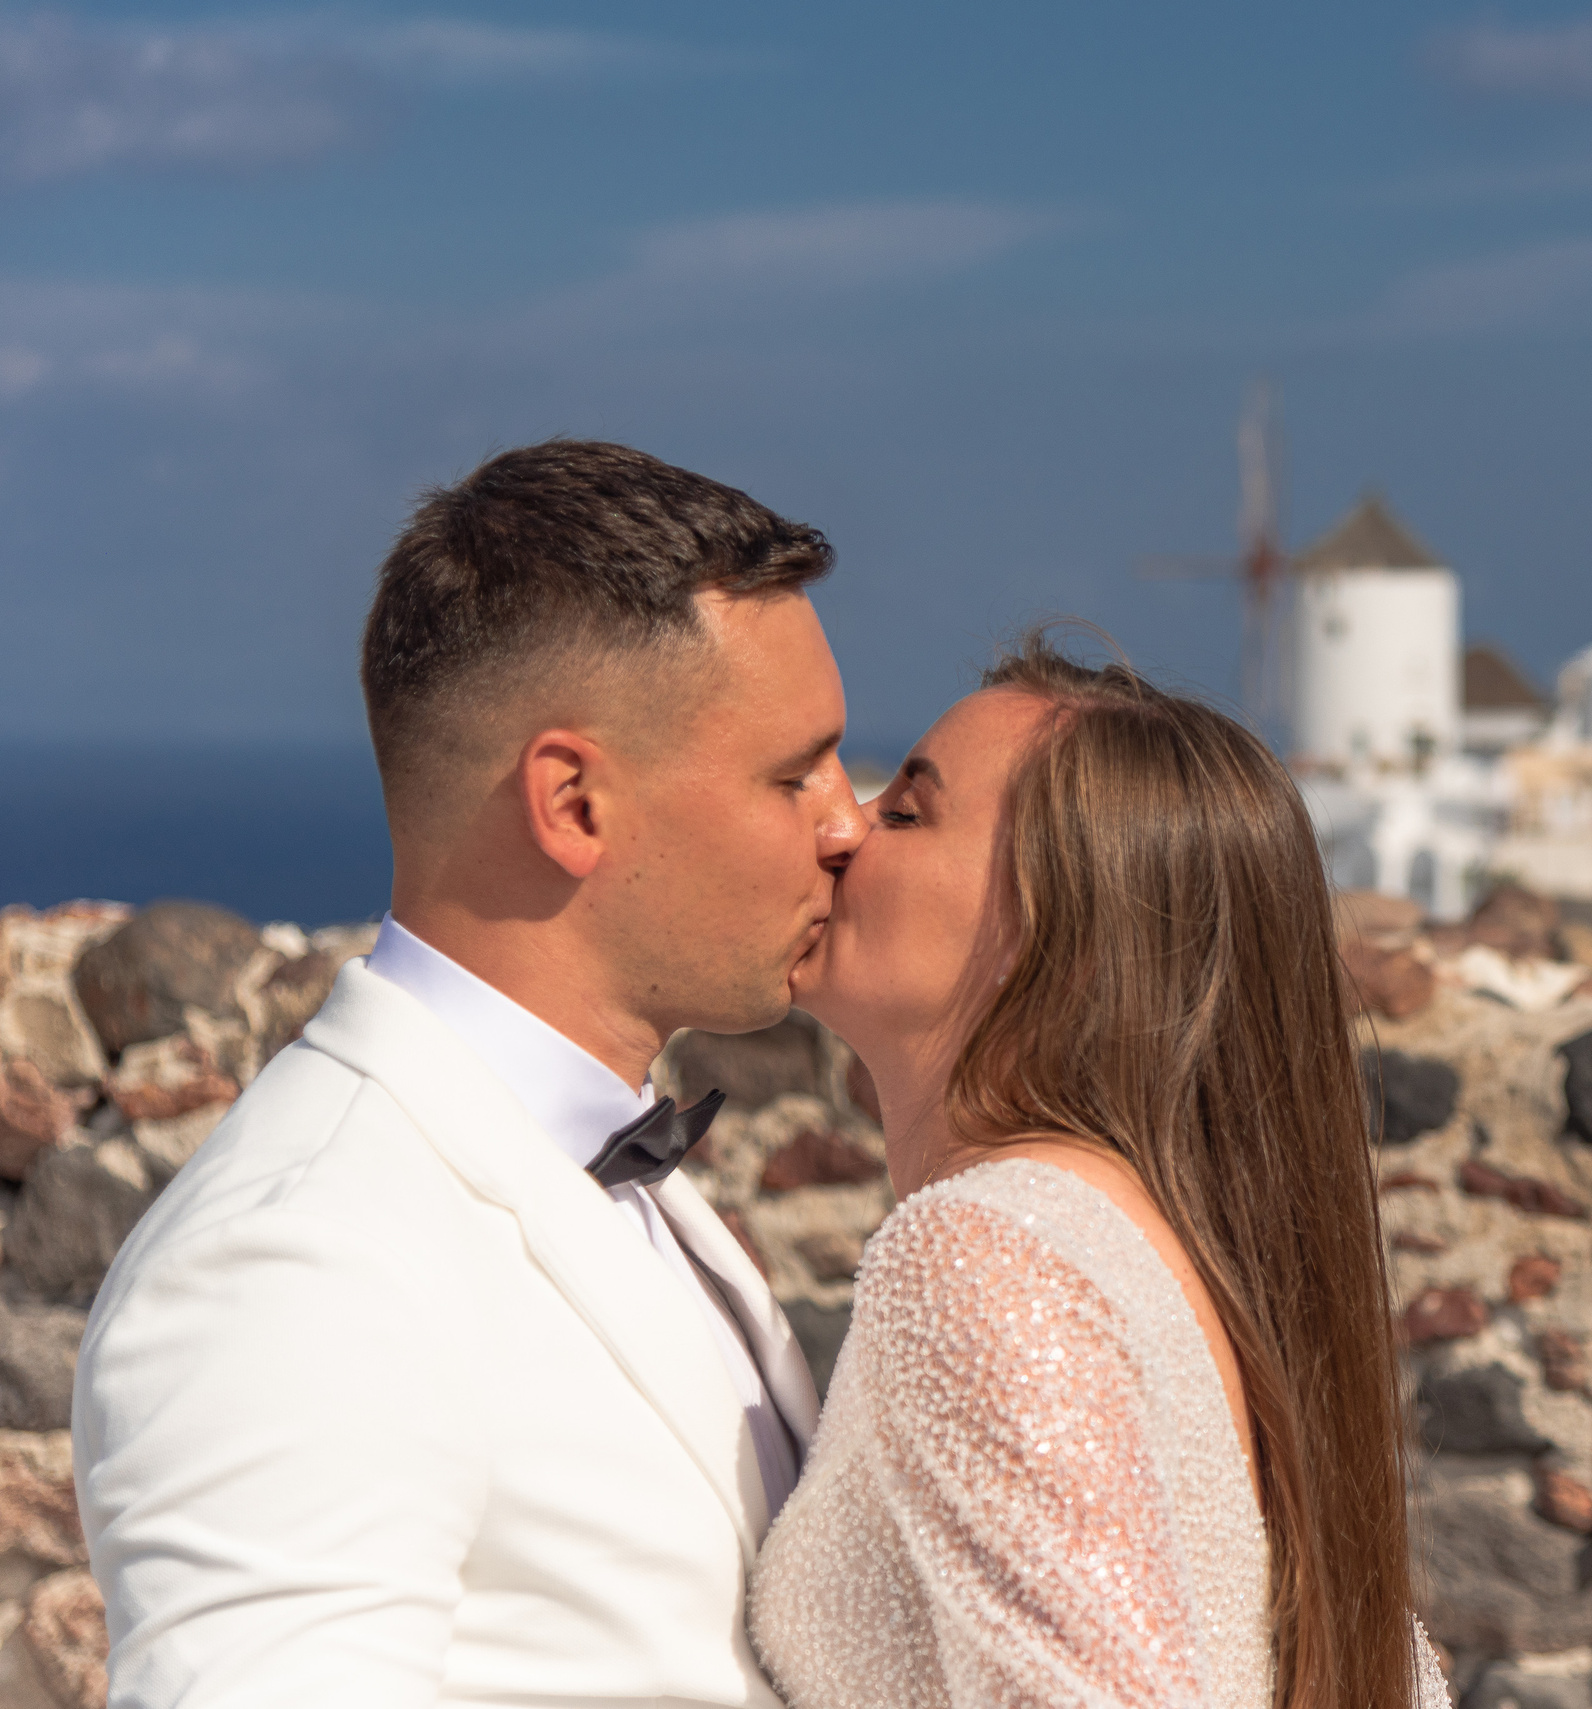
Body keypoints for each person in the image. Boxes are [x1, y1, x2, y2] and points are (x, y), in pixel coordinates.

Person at [73, 440, 860, 1706]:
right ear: (574, 804)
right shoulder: (298, 1260)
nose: (848, 821)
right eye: (794, 772)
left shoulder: (614, 1171)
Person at [750, 635, 1451, 1709]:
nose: (841, 827)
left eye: (905, 813)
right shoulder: (1198, 1277)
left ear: (1056, 939)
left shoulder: (987, 1257)